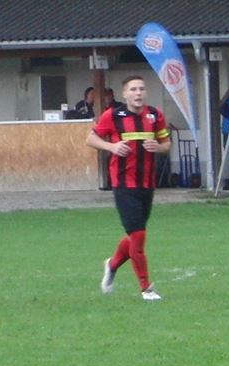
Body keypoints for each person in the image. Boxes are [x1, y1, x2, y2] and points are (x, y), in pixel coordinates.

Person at [87, 74, 170, 302]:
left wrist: (158, 147)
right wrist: (112, 147)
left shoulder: (154, 115)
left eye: (141, 89)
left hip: (147, 183)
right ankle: (146, 288)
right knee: (139, 235)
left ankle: (112, 264)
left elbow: (166, 143)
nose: (138, 93)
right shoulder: (113, 115)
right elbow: (91, 139)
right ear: (125, 94)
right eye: (133, 89)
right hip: (124, 184)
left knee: (135, 236)